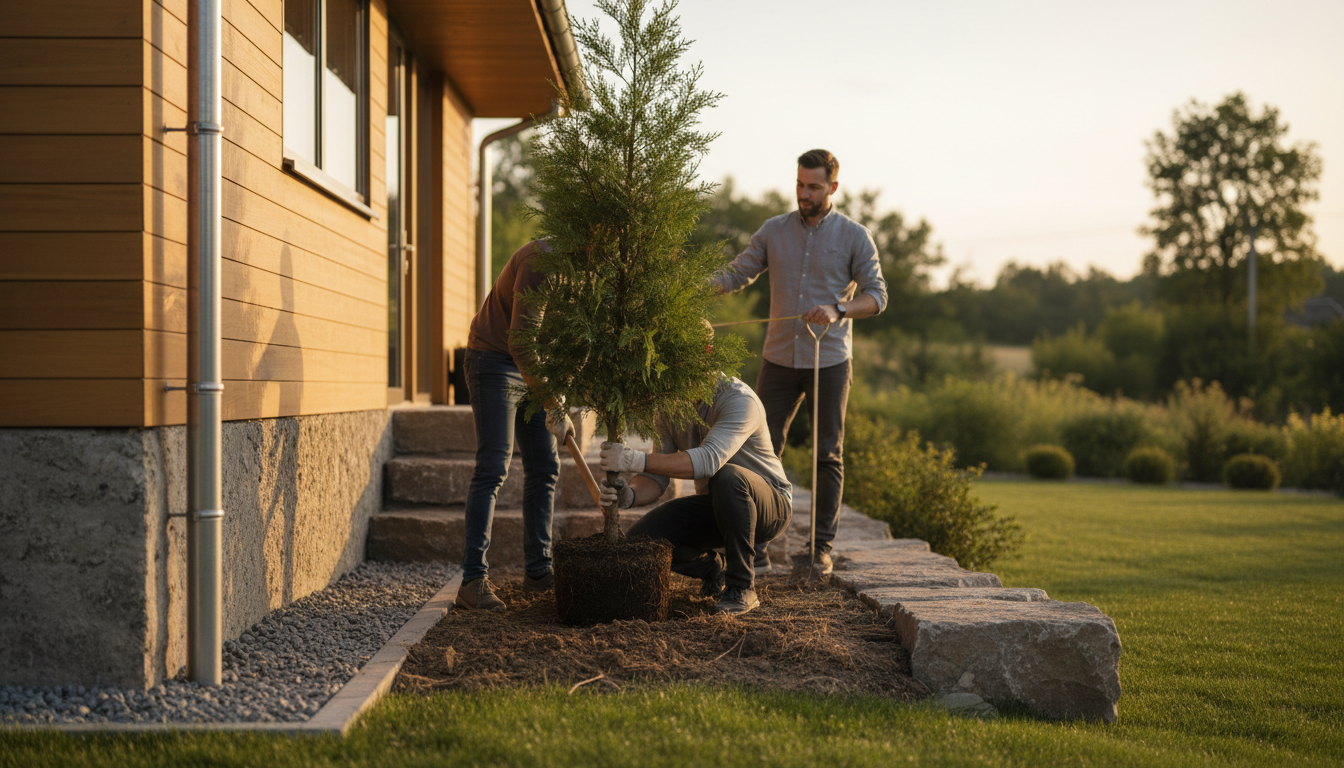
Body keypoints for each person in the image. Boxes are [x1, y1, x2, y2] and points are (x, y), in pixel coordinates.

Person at [712, 149, 887, 575]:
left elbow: (877, 297)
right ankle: (758, 544)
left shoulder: (855, 236)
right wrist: (690, 290)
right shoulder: (774, 231)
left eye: (813, 186)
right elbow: (738, 273)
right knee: (757, 449)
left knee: (827, 453)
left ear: (833, 188)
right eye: (799, 184)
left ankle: (819, 549)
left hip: (829, 360)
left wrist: (838, 309)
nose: (804, 193)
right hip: (778, 358)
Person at [596, 367, 792, 616]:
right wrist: (629, 494)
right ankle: (713, 569)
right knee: (642, 541)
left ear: (705, 356)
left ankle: (742, 587)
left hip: (770, 506)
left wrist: (633, 459)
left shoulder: (740, 399)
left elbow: (708, 461)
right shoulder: (669, 407)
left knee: (727, 475)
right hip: (718, 503)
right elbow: (656, 476)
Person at [457, 239, 573, 611]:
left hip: (537, 368)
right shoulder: (542, 260)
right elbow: (521, 344)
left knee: (545, 466)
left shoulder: (590, 273)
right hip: (494, 360)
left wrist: (562, 391)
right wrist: (552, 401)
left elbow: (577, 343)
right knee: (494, 465)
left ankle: (538, 572)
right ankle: (473, 579)